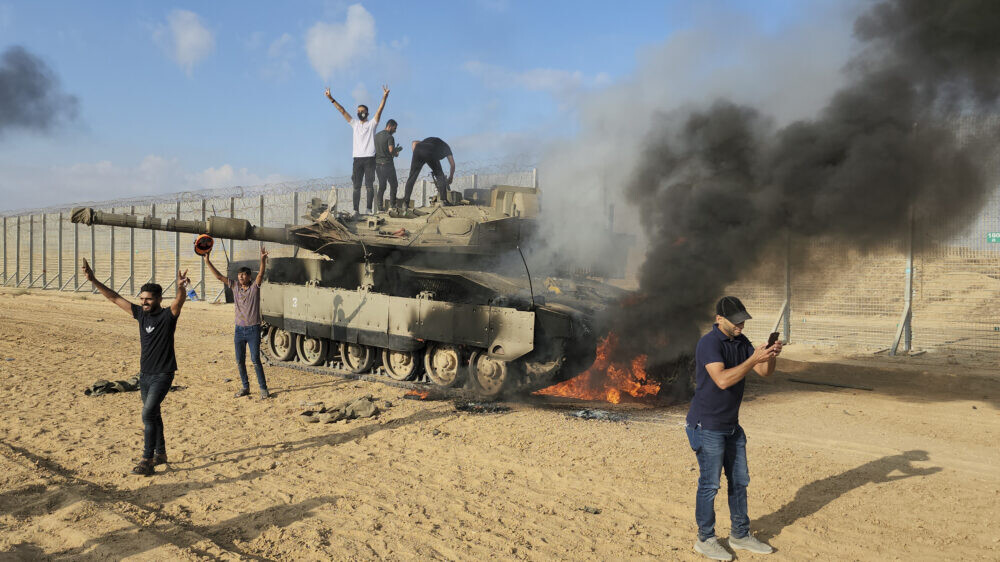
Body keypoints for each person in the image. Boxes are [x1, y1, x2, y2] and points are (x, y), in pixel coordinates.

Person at [686, 296, 782, 561]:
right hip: (707, 426)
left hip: (731, 426)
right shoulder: (709, 343)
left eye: (743, 319)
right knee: (710, 485)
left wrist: (770, 355)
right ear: (720, 319)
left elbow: (765, 372)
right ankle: (705, 539)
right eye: (736, 320)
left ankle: (740, 534)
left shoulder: (741, 341)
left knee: (739, 482)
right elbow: (723, 380)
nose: (741, 324)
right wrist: (753, 360)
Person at [82, 259, 189, 477]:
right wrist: (93, 280)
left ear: (159, 299)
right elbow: (114, 297)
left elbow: (179, 301)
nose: (144, 303)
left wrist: (180, 287)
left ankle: (147, 459)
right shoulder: (140, 315)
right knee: (154, 414)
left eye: (148, 299)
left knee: (147, 414)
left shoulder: (168, 316)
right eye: (142, 299)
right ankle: (161, 454)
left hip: (163, 374)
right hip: (145, 375)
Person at [204, 246, 270, 400]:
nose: (240, 277)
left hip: (253, 330)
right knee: (239, 361)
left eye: (243, 275)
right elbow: (220, 277)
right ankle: (245, 387)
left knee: (255, 360)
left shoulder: (254, 288)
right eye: (239, 275)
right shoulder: (234, 287)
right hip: (239, 330)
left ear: (248, 277)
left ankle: (263, 389)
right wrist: (208, 261)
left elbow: (260, 274)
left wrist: (262, 260)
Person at [325, 85, 390, 216]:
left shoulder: (372, 124)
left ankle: (368, 209)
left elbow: (379, 110)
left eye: (362, 111)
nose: (360, 113)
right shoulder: (354, 124)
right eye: (358, 111)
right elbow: (342, 111)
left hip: (370, 158)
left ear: (366, 112)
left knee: (369, 185)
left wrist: (384, 97)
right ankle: (355, 210)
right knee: (356, 186)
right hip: (357, 159)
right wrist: (331, 98)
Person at [401, 137, 455, 207]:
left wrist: (416, 156)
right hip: (430, 150)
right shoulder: (447, 148)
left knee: (412, 176)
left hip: (418, 149)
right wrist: (451, 177)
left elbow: (414, 143)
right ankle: (443, 201)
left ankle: (405, 203)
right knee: (440, 175)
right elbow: (452, 164)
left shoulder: (431, 142)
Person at [373, 119, 403, 212]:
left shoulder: (376, 136)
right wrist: (396, 152)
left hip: (377, 165)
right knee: (394, 185)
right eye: (394, 128)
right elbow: (391, 150)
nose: (395, 130)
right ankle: (392, 206)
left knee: (382, 186)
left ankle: (380, 208)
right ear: (390, 126)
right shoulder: (390, 137)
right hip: (387, 164)